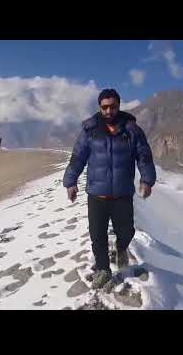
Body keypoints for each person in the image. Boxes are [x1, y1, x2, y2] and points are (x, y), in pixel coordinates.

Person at [63, 89, 156, 289]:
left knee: (127, 230)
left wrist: (147, 180)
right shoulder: (90, 130)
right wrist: (70, 182)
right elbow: (78, 157)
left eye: (112, 106)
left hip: (122, 193)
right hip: (97, 194)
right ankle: (104, 269)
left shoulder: (132, 130)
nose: (108, 110)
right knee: (97, 234)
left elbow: (144, 156)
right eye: (104, 107)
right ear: (99, 107)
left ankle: (121, 247)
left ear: (118, 106)